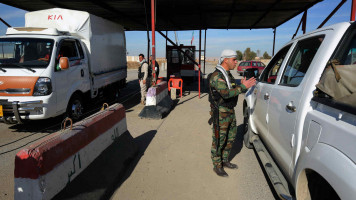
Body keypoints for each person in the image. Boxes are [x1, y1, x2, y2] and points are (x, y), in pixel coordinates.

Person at [208, 49, 256, 177]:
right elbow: (226, 93)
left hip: (230, 111)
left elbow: (232, 87)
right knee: (219, 139)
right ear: (226, 60)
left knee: (231, 137)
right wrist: (243, 87)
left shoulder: (227, 75)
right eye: (234, 59)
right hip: (221, 113)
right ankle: (217, 165)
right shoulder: (217, 76)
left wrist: (241, 84)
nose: (236, 62)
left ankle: (224, 160)